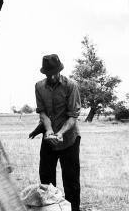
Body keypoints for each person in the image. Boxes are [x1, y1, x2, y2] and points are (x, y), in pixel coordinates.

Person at [32, 54, 82, 211]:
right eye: (49, 74)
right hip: (49, 138)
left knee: (71, 181)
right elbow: (43, 113)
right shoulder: (39, 86)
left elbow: (73, 116)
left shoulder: (71, 85)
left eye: (54, 73)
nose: (52, 77)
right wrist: (48, 130)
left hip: (69, 138)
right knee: (46, 180)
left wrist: (60, 133)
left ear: (60, 70)